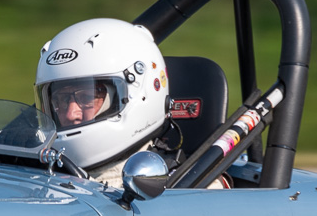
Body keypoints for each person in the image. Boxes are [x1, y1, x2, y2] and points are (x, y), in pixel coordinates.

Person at [34, 18, 228, 189]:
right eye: (59, 100)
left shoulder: (191, 191)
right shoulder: (37, 175)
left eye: (86, 98)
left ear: (138, 93)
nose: (70, 114)